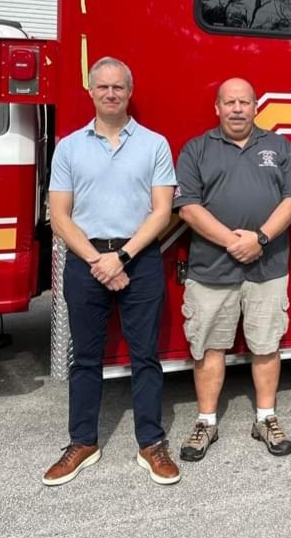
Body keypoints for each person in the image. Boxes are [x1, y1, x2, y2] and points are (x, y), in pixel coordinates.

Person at [42, 57, 179, 486]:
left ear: (129, 92)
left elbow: (162, 212)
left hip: (140, 260)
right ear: (90, 91)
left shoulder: (155, 144)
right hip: (86, 262)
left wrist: (121, 257)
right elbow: (59, 216)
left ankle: (151, 443)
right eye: (102, 87)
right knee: (85, 359)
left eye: (118, 87)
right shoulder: (69, 147)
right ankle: (82, 442)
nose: (110, 94)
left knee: (145, 357)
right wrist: (98, 261)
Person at [174, 77, 291, 459]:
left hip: (268, 268)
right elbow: (188, 208)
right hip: (211, 269)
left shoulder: (279, 147)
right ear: (217, 107)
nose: (236, 109)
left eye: (244, 102)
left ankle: (266, 417)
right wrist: (235, 243)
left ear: (255, 106)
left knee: (266, 345)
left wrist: (259, 239)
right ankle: (206, 422)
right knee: (208, 346)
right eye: (229, 102)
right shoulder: (196, 149)